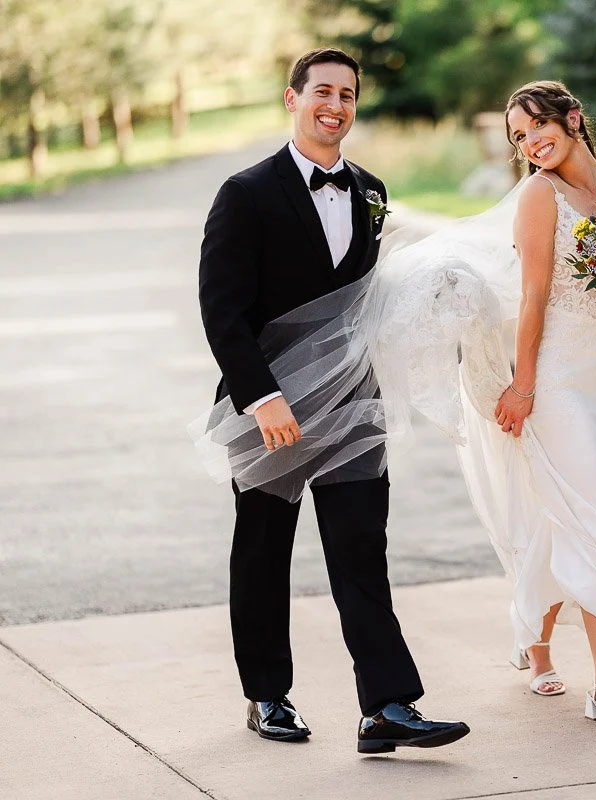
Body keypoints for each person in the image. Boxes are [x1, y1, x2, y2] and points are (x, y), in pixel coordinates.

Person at [197, 47, 469, 754]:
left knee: (361, 548)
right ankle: (266, 695)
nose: (335, 105)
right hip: (273, 408)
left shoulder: (371, 191)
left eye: (347, 94)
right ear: (292, 98)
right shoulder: (244, 193)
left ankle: (387, 706)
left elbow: (366, 298)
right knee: (264, 551)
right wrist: (262, 396)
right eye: (323, 91)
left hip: (352, 403)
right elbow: (221, 309)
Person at [457, 81, 596, 731]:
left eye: (538, 126)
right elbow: (534, 297)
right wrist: (523, 385)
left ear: (573, 119)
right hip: (557, 376)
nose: (531, 142)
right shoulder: (538, 196)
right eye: (519, 136)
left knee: (564, 516)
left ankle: (534, 641)